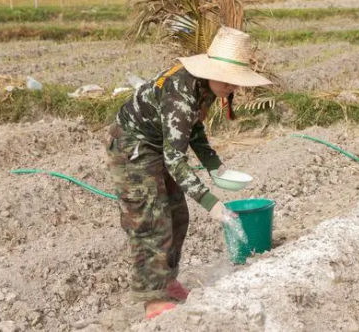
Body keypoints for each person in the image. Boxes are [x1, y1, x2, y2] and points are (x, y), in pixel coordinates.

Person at [104, 26, 272, 319]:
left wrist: (215, 166)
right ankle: (153, 298)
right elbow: (175, 161)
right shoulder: (179, 94)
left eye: (237, 81)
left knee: (178, 214)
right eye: (229, 79)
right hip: (133, 146)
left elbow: (193, 129)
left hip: (159, 144)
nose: (233, 86)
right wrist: (213, 205)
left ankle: (167, 280)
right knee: (150, 219)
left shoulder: (204, 87)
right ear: (212, 69)